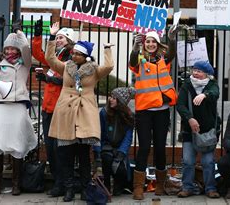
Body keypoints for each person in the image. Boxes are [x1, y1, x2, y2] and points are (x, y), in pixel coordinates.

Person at [45, 22, 114, 202]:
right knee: (65, 154)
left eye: (77, 54)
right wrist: (52, 38)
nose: (73, 55)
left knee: (84, 155)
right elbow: (50, 59)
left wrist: (107, 49)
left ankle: (84, 188)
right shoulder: (66, 66)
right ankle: (68, 188)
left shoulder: (94, 70)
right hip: (66, 113)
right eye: (73, 53)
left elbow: (108, 67)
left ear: (85, 56)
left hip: (84, 114)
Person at [0, 17, 37, 196]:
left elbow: (27, 48)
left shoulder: (25, 63)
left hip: (19, 105)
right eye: (7, 48)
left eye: (13, 48)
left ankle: (16, 184)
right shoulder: (0, 63)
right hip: (1, 106)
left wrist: (18, 32)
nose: (10, 51)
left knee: (17, 144)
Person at [128, 29, 178, 200]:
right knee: (143, 148)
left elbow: (171, 53)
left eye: (153, 42)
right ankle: (138, 187)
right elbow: (132, 60)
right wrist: (135, 47)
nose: (150, 44)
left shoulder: (164, 60)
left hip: (161, 112)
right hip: (144, 111)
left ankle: (160, 184)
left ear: (158, 45)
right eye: (148, 42)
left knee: (159, 148)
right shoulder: (140, 60)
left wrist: (171, 40)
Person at [31, 19, 75, 197]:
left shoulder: (72, 57)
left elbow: (69, 79)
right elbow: (37, 52)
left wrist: (49, 79)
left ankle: (64, 183)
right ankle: (58, 182)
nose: (58, 40)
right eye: (56, 38)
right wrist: (38, 35)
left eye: (62, 38)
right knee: (50, 148)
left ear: (69, 41)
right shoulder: (54, 57)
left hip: (62, 109)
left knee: (61, 149)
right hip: (48, 108)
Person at [176, 61, 220, 198]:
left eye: (199, 71)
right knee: (188, 161)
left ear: (206, 74)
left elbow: (215, 93)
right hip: (189, 130)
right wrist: (189, 118)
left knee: (208, 162)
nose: (195, 73)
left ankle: (210, 189)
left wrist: (204, 95)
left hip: (208, 131)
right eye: (194, 70)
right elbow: (180, 105)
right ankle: (187, 187)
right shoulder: (187, 85)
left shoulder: (212, 85)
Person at [93, 87, 134, 196]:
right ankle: (106, 186)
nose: (110, 99)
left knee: (120, 168)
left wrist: (121, 152)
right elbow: (99, 133)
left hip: (120, 148)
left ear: (121, 102)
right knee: (106, 159)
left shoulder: (129, 116)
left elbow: (128, 137)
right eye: (111, 96)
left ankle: (118, 186)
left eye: (114, 98)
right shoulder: (104, 113)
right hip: (107, 146)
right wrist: (97, 152)